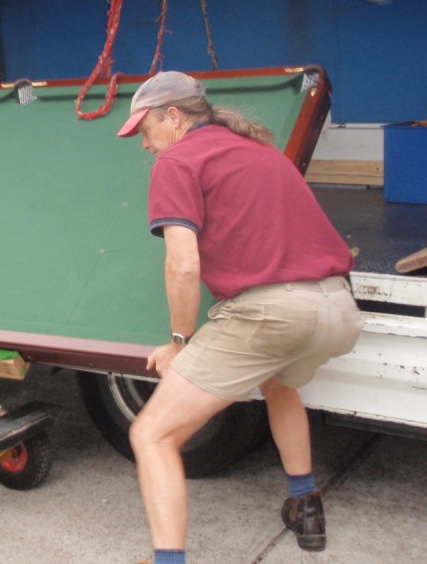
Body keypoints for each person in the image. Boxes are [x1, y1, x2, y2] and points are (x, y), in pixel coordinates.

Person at [116, 71, 363, 563]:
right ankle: (305, 503)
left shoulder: (177, 161)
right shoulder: (261, 151)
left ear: (173, 116)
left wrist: (179, 343)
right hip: (337, 309)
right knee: (278, 382)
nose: (144, 145)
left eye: (145, 131)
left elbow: (184, 264)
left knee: (152, 434)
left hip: (272, 314)